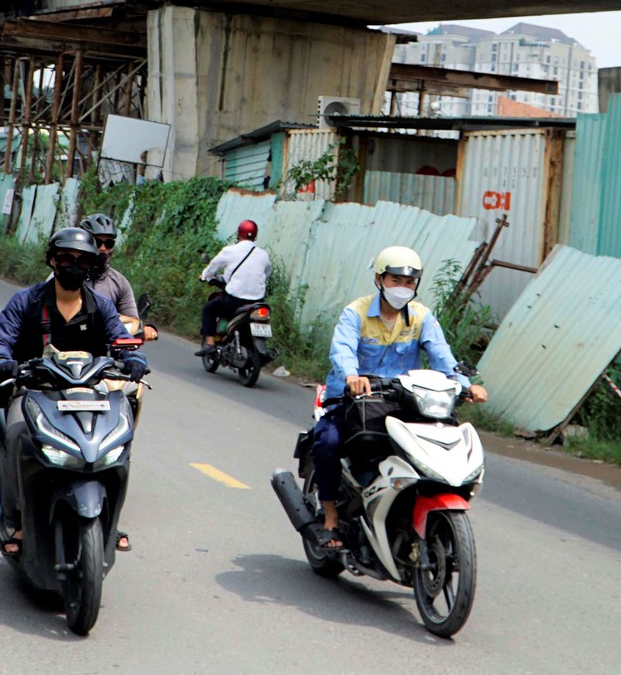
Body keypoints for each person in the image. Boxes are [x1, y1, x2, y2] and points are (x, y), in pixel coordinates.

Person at [0, 227, 150, 553]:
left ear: (91, 266)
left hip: (88, 392)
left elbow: (123, 341)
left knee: (118, 441)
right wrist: (3, 360)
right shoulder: (26, 301)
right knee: (18, 434)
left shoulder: (101, 306)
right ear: (52, 261)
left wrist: (134, 358)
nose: (73, 266)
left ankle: (109, 523)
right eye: (66, 259)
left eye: (81, 261)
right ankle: (15, 522)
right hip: (33, 390)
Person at [309, 245, 486, 547]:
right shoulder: (357, 313)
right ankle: (330, 517)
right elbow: (342, 351)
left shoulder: (421, 317)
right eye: (396, 281)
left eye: (409, 282)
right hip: (354, 400)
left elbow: (442, 355)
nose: (403, 288)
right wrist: (352, 376)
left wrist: (465, 383)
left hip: (404, 401)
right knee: (328, 443)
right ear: (380, 280)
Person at [195, 219, 270, 354]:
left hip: (235, 300)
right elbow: (266, 275)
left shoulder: (230, 251)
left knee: (209, 310)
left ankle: (210, 344)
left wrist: (205, 276)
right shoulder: (264, 255)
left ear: (238, 234)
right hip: (258, 302)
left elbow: (212, 266)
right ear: (255, 235)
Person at [76, 213, 150, 337]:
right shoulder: (63, 275)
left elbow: (132, 324)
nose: (103, 248)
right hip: (63, 350)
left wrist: (141, 329)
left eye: (109, 243)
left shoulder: (120, 283)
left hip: (105, 351)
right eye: (97, 242)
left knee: (137, 356)